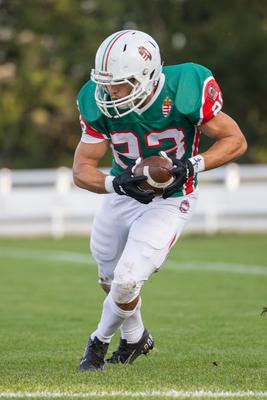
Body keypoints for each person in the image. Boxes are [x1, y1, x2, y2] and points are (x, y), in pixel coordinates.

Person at [73, 30, 247, 371]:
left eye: (120, 84)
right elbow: (81, 170)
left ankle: (97, 343)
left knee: (126, 281)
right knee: (109, 280)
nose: (110, 92)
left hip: (172, 196)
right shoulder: (96, 101)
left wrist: (190, 165)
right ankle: (136, 336)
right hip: (124, 193)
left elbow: (235, 140)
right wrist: (118, 184)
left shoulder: (185, 88)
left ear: (148, 76)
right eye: (106, 83)